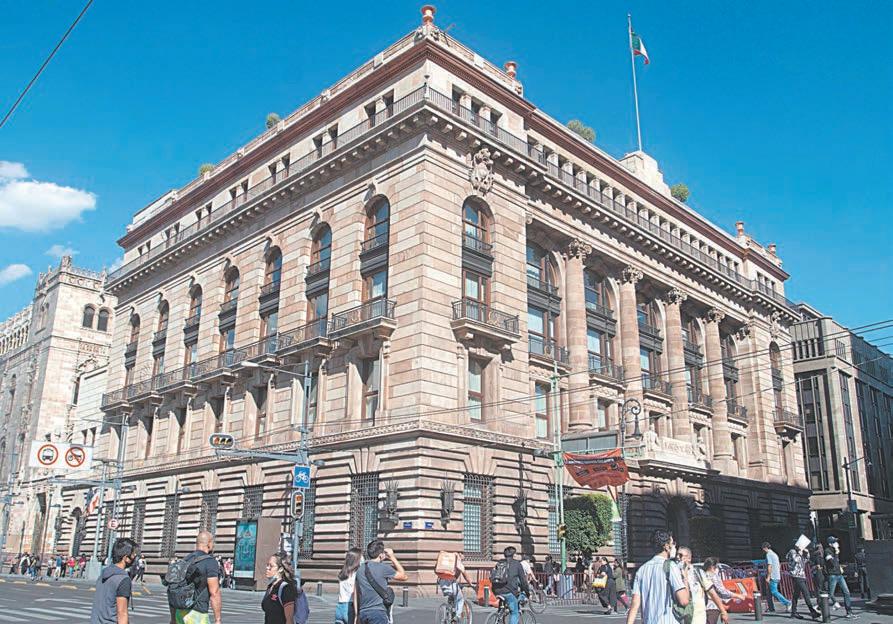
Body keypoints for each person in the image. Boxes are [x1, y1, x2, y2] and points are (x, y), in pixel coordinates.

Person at [625, 530, 690, 624]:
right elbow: (684, 600)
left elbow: (635, 604)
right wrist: (685, 577)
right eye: (672, 544)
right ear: (666, 546)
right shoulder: (671, 567)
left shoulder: (642, 570)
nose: (674, 547)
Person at [168, 530, 222, 624]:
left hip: (180, 614)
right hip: (198, 615)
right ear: (209, 544)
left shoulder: (185, 560)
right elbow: (214, 593)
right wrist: (218, 620)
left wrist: (173, 619)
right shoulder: (210, 562)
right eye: (213, 543)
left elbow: (173, 589)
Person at [354, 539, 408, 624]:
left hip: (363, 613)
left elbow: (356, 594)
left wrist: (357, 615)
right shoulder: (384, 568)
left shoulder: (360, 569)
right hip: (378, 613)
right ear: (381, 555)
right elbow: (404, 576)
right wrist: (392, 557)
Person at [90, 537, 138, 624]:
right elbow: (122, 613)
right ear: (126, 558)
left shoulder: (103, 574)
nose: (135, 556)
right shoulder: (123, 579)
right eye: (133, 554)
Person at [491, 546, 531, 624]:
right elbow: (523, 581)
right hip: (509, 591)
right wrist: (527, 593)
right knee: (514, 612)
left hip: (496, 590)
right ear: (514, 555)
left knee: (504, 606)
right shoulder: (517, 564)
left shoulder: (499, 563)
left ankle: (501, 614)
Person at [702, 557, 744, 624]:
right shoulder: (713, 576)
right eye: (716, 566)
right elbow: (722, 591)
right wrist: (737, 596)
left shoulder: (701, 575)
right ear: (712, 567)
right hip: (712, 606)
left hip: (700, 606)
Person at [786, 542, 820, 620]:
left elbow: (805, 560)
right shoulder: (792, 551)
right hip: (796, 575)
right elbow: (796, 559)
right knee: (806, 593)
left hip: (801, 575)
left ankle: (793, 612)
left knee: (796, 595)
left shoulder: (799, 553)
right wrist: (800, 552)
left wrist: (807, 553)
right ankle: (813, 612)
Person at [261, 552, 297, 624]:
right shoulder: (270, 586)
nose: (267, 568)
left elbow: (289, 620)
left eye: (271, 566)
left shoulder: (286, 589)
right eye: (267, 565)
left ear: (280, 569)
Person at [824, 537, 855, 619]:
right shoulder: (827, 551)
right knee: (830, 594)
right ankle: (821, 606)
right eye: (834, 542)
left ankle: (849, 611)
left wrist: (840, 567)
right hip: (832, 575)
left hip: (839, 574)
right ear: (830, 544)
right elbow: (832, 563)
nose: (836, 543)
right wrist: (837, 553)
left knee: (846, 592)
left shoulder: (835, 551)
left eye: (836, 542)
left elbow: (837, 563)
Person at [761, 542, 791, 613]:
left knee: (774, 591)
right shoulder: (775, 554)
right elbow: (779, 565)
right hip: (777, 575)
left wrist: (768, 577)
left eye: (763, 549)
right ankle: (771, 608)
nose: (762, 550)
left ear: (765, 548)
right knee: (769, 592)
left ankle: (787, 602)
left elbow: (769, 566)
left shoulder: (768, 554)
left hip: (773, 576)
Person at [337, 547, 362, 624]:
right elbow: (354, 594)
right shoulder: (356, 575)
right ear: (357, 560)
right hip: (350, 607)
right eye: (361, 557)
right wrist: (357, 614)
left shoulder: (342, 573)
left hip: (340, 606)